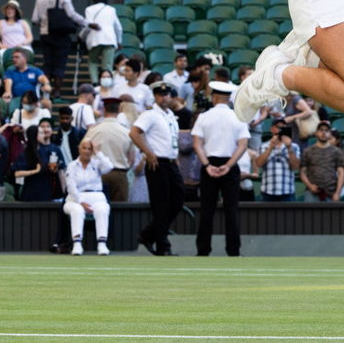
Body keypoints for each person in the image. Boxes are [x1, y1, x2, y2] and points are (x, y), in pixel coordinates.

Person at [191, 81, 250, 256]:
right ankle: (233, 250)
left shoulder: (204, 116)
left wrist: (207, 165)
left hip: (209, 163)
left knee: (206, 210)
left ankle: (203, 250)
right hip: (229, 166)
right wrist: (229, 165)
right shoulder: (238, 117)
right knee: (231, 210)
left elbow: (197, 144)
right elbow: (243, 145)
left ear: (214, 97)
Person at [129, 82, 183, 255]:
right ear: (155, 96)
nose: (164, 97)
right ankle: (162, 245)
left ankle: (148, 234)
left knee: (177, 200)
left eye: (167, 94)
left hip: (171, 161)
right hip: (157, 162)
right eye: (160, 94)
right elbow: (134, 132)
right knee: (161, 205)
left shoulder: (170, 115)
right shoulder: (151, 114)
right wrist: (148, 153)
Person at [31, 0, 98, 94]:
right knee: (60, 63)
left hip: (45, 34)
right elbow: (71, 14)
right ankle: (57, 91)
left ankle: (46, 89)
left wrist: (45, 23)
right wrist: (87, 23)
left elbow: (35, 19)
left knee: (48, 63)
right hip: (60, 34)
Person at [63, 140, 113, 255]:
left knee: (102, 209)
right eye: (84, 148)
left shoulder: (97, 164)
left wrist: (98, 152)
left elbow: (109, 167)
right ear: (79, 149)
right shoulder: (72, 165)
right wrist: (81, 202)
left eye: (89, 149)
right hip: (75, 199)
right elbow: (71, 187)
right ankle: (77, 244)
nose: (86, 151)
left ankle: (102, 244)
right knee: (77, 210)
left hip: (96, 197)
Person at [82, 97, 132, 201]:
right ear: (119, 111)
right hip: (119, 174)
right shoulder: (127, 132)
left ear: (104, 110)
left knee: (98, 209)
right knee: (120, 212)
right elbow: (132, 158)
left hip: (98, 174)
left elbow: (83, 150)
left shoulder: (94, 131)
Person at [13, 122, 65, 202]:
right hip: (30, 190)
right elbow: (17, 173)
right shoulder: (27, 152)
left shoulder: (47, 149)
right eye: (40, 133)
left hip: (45, 189)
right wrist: (35, 171)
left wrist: (54, 169)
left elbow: (58, 169)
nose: (43, 135)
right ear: (35, 135)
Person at [299, 122, 344, 201]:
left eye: (326, 130)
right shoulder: (307, 151)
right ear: (316, 133)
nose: (324, 132)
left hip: (331, 192)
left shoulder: (336, 151)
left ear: (329, 133)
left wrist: (337, 192)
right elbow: (302, 172)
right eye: (321, 130)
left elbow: (341, 172)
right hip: (311, 192)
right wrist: (310, 186)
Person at [255, 120, 301, 201]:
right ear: (272, 129)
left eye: (284, 128)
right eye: (279, 127)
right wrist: (270, 148)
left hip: (287, 191)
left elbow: (295, 167)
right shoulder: (263, 146)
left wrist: (289, 147)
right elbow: (259, 164)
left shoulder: (294, 146)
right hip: (267, 191)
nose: (281, 130)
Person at [83, 0, 121, 86]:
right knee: (107, 64)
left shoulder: (89, 9)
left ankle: (95, 82)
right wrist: (119, 41)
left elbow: (88, 25)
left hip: (95, 39)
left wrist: (82, 36)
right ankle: (106, 83)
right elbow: (118, 27)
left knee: (93, 61)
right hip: (110, 39)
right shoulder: (111, 9)